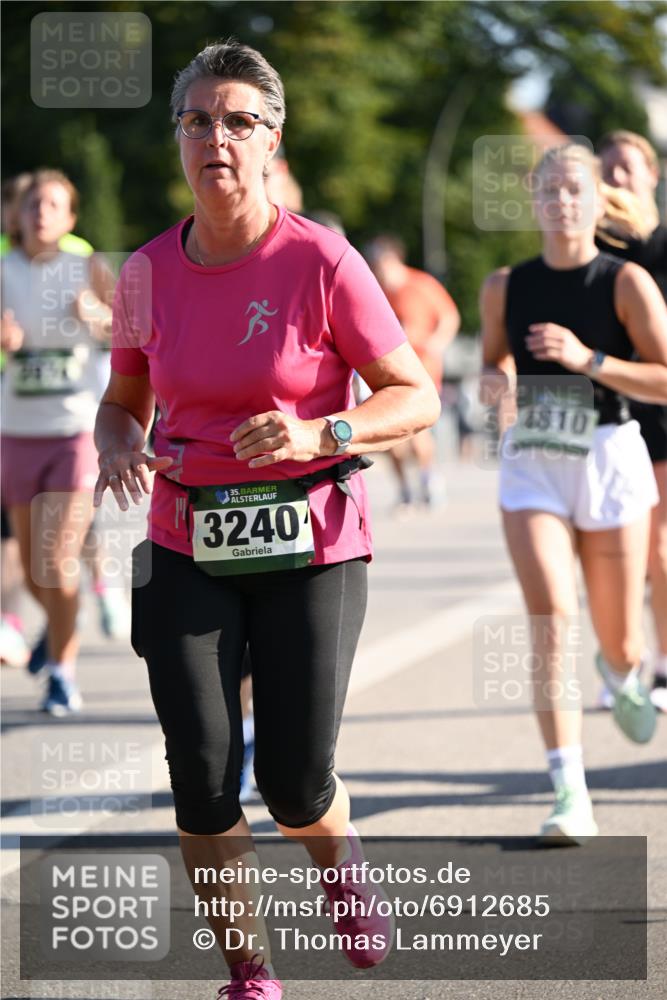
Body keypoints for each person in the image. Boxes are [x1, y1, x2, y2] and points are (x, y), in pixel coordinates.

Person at [94, 40, 440, 999]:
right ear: (178, 139)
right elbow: (122, 400)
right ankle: (248, 967)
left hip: (311, 539)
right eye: (198, 119)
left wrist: (315, 431)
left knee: (291, 781)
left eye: (238, 120)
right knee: (202, 777)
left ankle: (339, 861)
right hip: (183, 537)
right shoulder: (147, 273)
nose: (217, 136)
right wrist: (118, 440)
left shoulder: (321, 260)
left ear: (271, 140)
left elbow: (413, 396)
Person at [480, 143, 667, 844]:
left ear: (596, 202)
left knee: (618, 640)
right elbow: (495, 357)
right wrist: (495, 384)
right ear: (533, 198)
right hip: (536, 456)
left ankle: (619, 667)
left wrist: (588, 360)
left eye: (573, 190)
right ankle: (568, 791)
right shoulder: (503, 285)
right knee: (552, 621)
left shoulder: (623, 283)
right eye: (549, 189)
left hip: (612, 457)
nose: (561, 201)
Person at [1, 170, 115, 714]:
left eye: (52, 205)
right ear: (16, 217)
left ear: (70, 218)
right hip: (17, 431)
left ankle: (63, 674)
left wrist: (97, 319)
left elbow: (134, 333)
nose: (40, 213)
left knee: (56, 557)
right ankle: (58, 627)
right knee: (29, 571)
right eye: (31, 206)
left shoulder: (86, 268)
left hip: (75, 430)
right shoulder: (3, 272)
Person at [597, 130, 667, 713]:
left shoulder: (664, 247)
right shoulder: (589, 250)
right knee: (615, 553)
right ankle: (624, 660)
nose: (617, 179)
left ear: (653, 176)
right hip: (603, 417)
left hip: (660, 407)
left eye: (628, 169)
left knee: (659, 547)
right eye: (608, 170)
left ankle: (661, 664)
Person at [366, 235, 460, 509]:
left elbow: (449, 316)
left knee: (417, 429)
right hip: (386, 370)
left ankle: (428, 479)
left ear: (394, 260)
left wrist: (437, 342)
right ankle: (405, 488)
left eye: (382, 264)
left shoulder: (421, 284)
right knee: (390, 434)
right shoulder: (375, 291)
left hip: (423, 366)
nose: (379, 271)